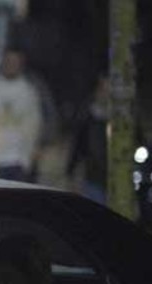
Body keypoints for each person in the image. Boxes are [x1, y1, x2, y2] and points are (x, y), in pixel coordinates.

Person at [0, 48, 52, 182]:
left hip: (22, 159)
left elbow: (42, 119)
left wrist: (40, 146)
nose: (12, 66)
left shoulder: (31, 88)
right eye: (8, 61)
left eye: (15, 62)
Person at [66, 76, 109, 204]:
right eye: (103, 89)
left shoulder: (123, 119)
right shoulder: (87, 115)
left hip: (117, 174)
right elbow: (78, 143)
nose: (106, 94)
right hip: (93, 175)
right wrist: (71, 168)